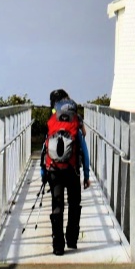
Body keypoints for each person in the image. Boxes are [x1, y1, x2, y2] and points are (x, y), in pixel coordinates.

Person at [40, 88, 90, 254]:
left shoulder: (53, 122)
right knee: (74, 204)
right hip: (72, 170)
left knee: (57, 206)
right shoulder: (76, 122)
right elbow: (85, 151)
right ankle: (72, 240)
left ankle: (58, 246)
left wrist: (43, 173)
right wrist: (87, 175)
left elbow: (44, 148)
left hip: (54, 169)